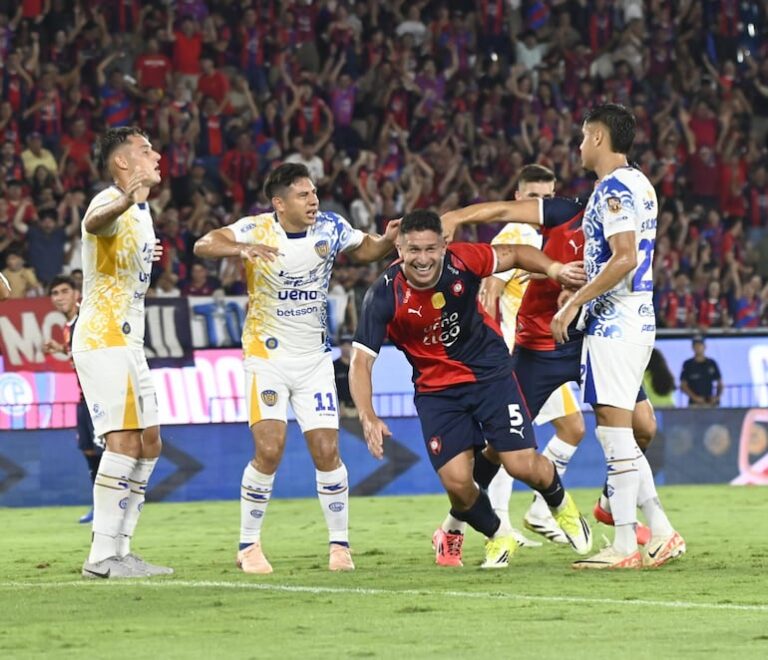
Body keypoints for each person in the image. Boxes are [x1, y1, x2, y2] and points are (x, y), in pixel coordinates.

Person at [349, 209, 593, 569]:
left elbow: (516, 253)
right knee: (458, 483)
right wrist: (367, 415)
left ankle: (559, 504)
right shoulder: (383, 296)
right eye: (413, 250)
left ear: (444, 246)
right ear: (398, 248)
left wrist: (555, 269)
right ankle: (498, 535)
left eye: (431, 249)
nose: (422, 259)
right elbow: (360, 362)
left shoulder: (463, 260)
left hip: (490, 374)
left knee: (521, 465)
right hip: (437, 391)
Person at [193, 162, 400, 574]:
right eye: (303, 195)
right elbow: (204, 244)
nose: (313, 200)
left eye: (313, 193)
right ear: (279, 203)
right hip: (266, 358)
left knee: (327, 450)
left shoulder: (331, 227)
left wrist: (389, 240)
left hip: (314, 360)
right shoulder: (256, 229)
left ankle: (339, 546)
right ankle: (249, 546)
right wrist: (239, 249)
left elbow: (370, 249)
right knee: (269, 450)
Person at [550, 104, 685, 568]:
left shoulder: (612, 189)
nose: (581, 145)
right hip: (636, 315)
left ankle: (626, 544)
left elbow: (624, 256)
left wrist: (574, 301)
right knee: (622, 435)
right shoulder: (640, 183)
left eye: (585, 137)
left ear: (601, 139)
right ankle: (660, 532)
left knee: (613, 432)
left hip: (614, 319)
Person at [72, 126, 172, 579]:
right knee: (124, 441)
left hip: (129, 340)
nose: (155, 155)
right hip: (103, 337)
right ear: (122, 164)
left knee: (150, 441)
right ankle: (102, 556)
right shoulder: (107, 198)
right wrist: (125, 200)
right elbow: (94, 224)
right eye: (144, 150)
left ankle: (123, 549)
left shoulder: (143, 212)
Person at [473, 165, 587, 550]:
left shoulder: (556, 235)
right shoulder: (516, 233)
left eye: (547, 196)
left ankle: (538, 509)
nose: (541, 203)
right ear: (519, 198)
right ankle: (496, 522)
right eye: (533, 197)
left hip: (545, 347)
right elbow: (491, 285)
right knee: (511, 441)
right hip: (518, 352)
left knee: (571, 429)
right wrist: (491, 344)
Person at [43, 276, 102, 524]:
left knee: (106, 451)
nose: (59, 297)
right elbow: (77, 355)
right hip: (83, 396)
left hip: (98, 395)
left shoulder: (86, 320)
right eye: (55, 293)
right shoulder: (68, 327)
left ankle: (114, 505)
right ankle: (99, 505)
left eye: (64, 291)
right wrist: (61, 349)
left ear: (76, 293)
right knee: (88, 449)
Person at [680, 336, 723, 407]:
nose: (698, 347)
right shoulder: (688, 364)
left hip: (710, 403)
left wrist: (717, 397)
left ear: (705, 346)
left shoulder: (711, 363)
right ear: (692, 347)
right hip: (694, 404)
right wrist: (695, 398)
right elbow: (683, 385)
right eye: (695, 345)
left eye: (700, 345)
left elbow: (720, 383)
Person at [333, 334, 356, 419]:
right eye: (343, 345)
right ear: (340, 346)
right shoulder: (334, 366)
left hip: (357, 407)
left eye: (348, 345)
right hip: (341, 408)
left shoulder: (357, 365)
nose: (346, 347)